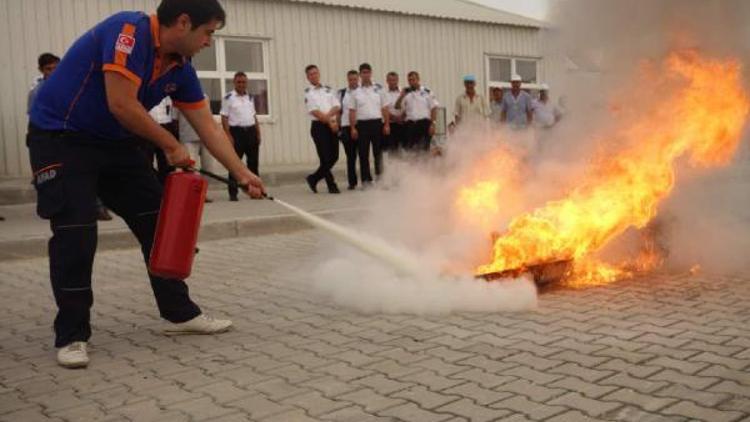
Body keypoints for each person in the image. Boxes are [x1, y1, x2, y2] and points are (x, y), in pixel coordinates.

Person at [27, 0, 265, 369]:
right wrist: (170, 145)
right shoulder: (128, 32)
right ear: (184, 22)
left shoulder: (181, 69)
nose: (208, 42)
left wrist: (242, 173)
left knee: (161, 222)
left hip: (115, 142)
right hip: (62, 137)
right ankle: (72, 334)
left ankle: (179, 313)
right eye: (208, 33)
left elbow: (208, 128)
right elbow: (121, 103)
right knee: (76, 231)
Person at [28, 52, 114, 221]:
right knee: (51, 178)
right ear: (41, 70)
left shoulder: (74, 86)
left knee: (86, 172)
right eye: (48, 69)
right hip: (48, 138)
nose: (53, 72)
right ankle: (55, 209)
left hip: (74, 136)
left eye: (56, 68)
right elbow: (34, 118)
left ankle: (96, 206)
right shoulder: (37, 92)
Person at [221, 72, 261, 201]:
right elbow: (224, 117)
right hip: (236, 133)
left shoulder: (250, 97)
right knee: (235, 164)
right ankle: (233, 193)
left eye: (244, 82)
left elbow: (254, 116)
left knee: (253, 163)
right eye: (239, 82)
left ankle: (255, 191)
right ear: (234, 82)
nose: (242, 84)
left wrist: (258, 132)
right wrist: (228, 135)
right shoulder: (228, 98)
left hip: (251, 132)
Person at [303, 64, 341, 194]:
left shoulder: (328, 89)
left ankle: (313, 178)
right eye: (311, 74)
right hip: (319, 127)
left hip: (332, 124)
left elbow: (336, 106)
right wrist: (329, 121)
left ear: (319, 74)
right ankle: (332, 185)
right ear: (308, 77)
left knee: (334, 156)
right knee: (325, 158)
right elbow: (315, 112)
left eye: (316, 73)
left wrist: (330, 120)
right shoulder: (308, 93)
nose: (314, 75)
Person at [348, 63, 386, 186]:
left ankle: (380, 178)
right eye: (363, 73)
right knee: (363, 154)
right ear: (360, 75)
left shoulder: (379, 89)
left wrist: (386, 125)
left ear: (371, 73)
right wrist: (353, 128)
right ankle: (365, 180)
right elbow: (352, 111)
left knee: (378, 153)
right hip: (362, 125)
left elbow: (384, 108)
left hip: (377, 123)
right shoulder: (355, 92)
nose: (365, 75)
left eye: (367, 72)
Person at [175, 93, 213, 203]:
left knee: (209, 168)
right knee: (191, 168)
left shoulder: (205, 97)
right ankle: (193, 194)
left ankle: (204, 193)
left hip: (206, 136)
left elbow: (208, 116)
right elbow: (175, 120)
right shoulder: (177, 98)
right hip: (188, 137)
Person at [395, 71, 439, 152]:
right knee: (411, 150)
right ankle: (414, 165)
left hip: (424, 124)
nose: (411, 82)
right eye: (409, 80)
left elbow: (434, 108)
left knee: (424, 149)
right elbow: (397, 107)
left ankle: (425, 164)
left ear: (418, 79)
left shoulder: (427, 92)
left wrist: (433, 124)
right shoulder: (406, 94)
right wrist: (401, 96)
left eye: (413, 80)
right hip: (410, 125)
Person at [146, 96, 177, 184]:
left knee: (166, 160)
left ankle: (166, 185)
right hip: (148, 125)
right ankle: (152, 183)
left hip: (166, 124)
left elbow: (171, 107)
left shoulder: (165, 93)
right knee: (147, 159)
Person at [338, 70, 359, 190]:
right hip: (346, 127)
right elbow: (339, 112)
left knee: (363, 155)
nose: (353, 81)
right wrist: (339, 129)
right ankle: (352, 182)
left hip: (360, 126)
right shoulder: (342, 93)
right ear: (348, 79)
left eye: (355, 79)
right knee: (350, 156)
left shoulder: (362, 92)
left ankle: (366, 180)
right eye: (351, 79)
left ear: (358, 79)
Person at [381, 71, 406, 155]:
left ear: (397, 80)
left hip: (403, 124)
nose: (392, 82)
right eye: (390, 80)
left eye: (394, 80)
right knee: (392, 149)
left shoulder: (403, 92)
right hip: (390, 125)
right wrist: (394, 118)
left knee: (404, 149)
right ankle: (394, 167)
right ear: (387, 81)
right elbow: (383, 108)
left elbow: (408, 106)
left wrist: (402, 117)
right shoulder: (383, 93)